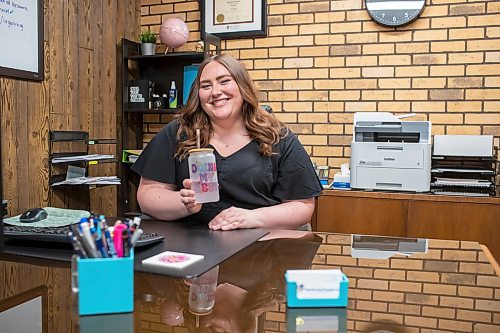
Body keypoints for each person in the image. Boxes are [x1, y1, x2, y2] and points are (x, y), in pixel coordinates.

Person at [132, 54, 322, 230]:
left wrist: (251, 218)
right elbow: (148, 193)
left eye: (224, 82)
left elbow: (302, 205)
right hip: (191, 249)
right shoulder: (179, 132)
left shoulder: (277, 137)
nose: (215, 92)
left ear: (242, 86)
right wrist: (184, 203)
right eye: (206, 86)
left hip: (259, 248)